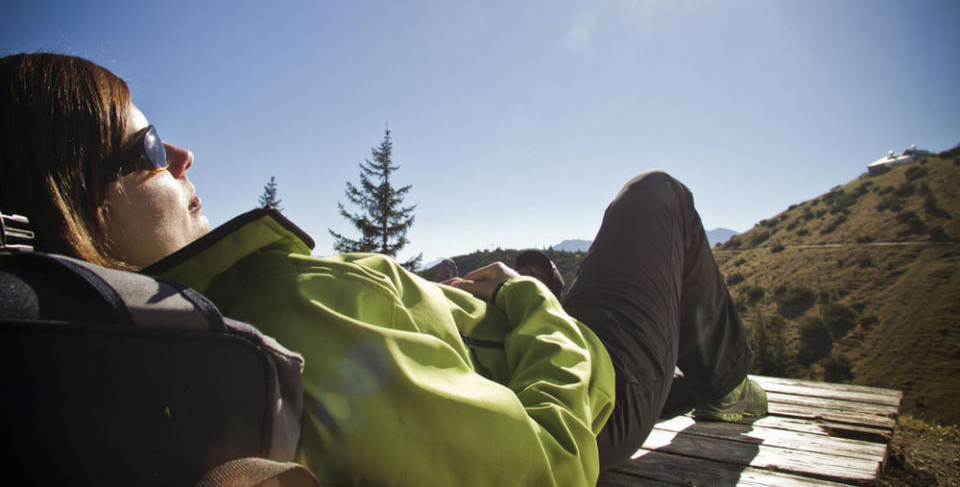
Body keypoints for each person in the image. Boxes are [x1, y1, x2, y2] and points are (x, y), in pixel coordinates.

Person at [0, 53, 764, 485]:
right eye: (145, 149)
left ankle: (697, 377)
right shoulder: (289, 309)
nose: (181, 157)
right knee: (655, 198)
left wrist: (445, 307)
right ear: (74, 206)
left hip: (499, 373)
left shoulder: (161, 345)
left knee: (529, 265)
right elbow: (550, 465)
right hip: (589, 405)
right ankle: (729, 382)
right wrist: (531, 303)